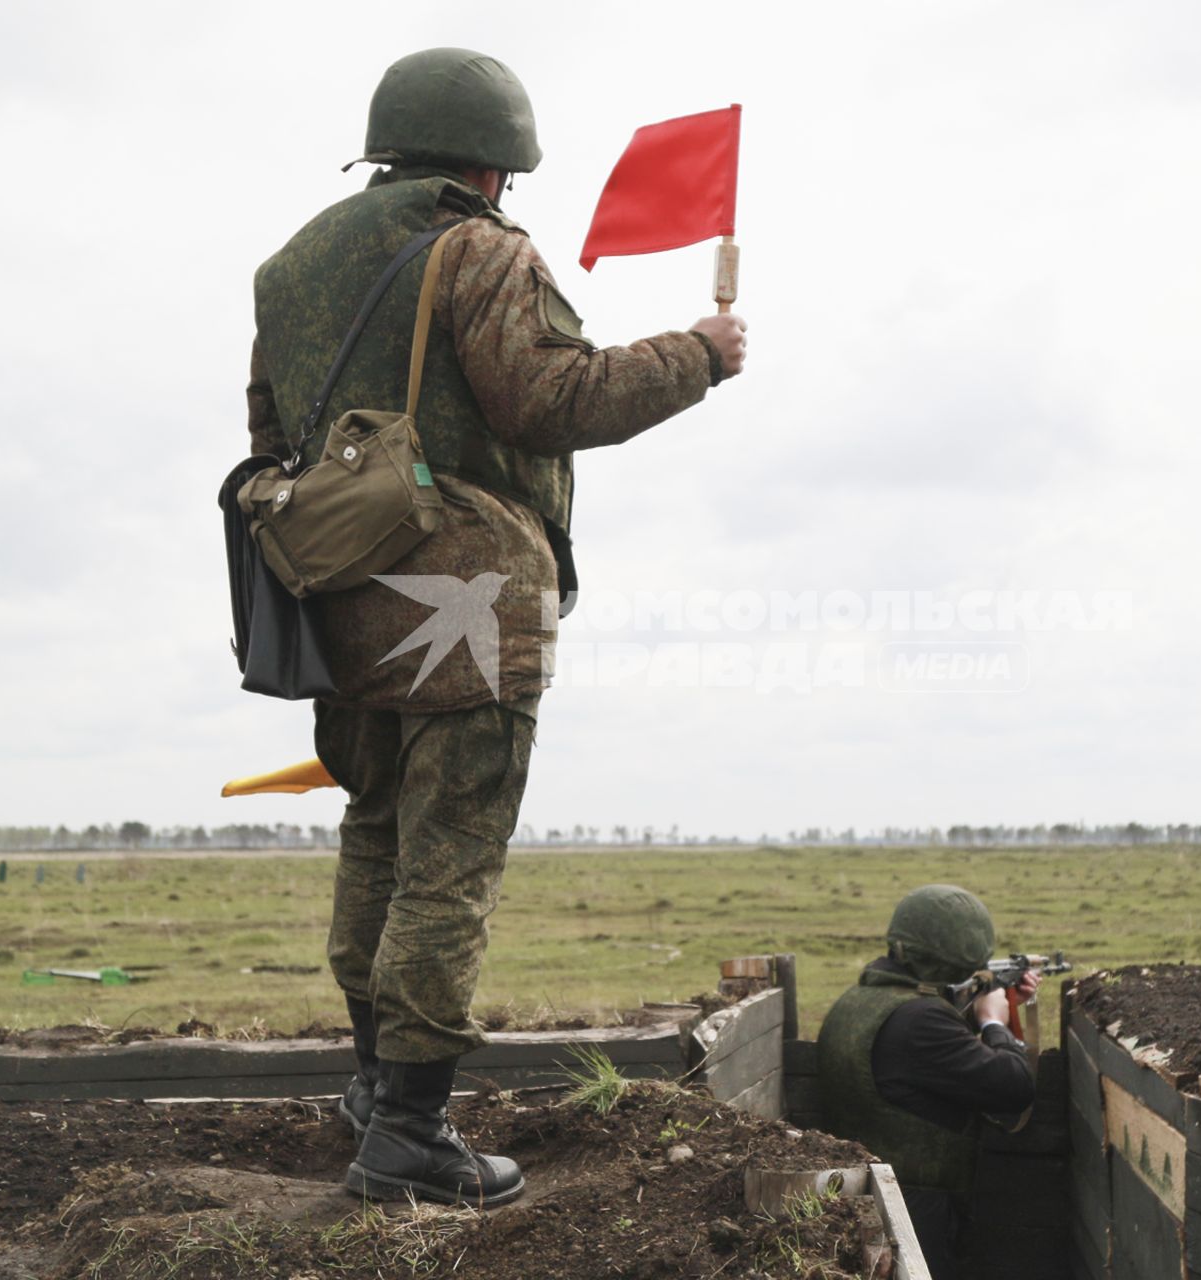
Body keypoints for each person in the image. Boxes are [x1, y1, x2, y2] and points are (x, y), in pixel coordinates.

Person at [245, 47, 748, 1207]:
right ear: (493, 160)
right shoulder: (480, 250)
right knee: (448, 861)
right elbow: (553, 398)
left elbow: (273, 430)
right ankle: (412, 1136)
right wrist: (699, 357)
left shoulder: (291, 270)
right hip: (463, 590)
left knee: (373, 830)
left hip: (333, 589)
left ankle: (377, 1089)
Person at [816, 885, 1037, 1278]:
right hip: (917, 1211)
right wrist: (992, 1022)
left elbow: (922, 1063)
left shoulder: (861, 999)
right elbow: (1015, 1088)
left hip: (864, 1195)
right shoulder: (922, 1021)